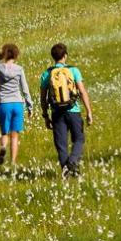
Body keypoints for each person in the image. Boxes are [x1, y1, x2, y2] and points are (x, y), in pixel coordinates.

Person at [40, 42, 93, 176]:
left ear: (53, 57)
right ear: (65, 56)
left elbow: (43, 98)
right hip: (73, 110)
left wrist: (46, 116)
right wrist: (89, 111)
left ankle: (67, 171)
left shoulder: (47, 74)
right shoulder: (73, 70)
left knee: (61, 145)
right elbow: (82, 91)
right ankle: (73, 163)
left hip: (57, 113)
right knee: (79, 139)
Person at [0, 43, 33, 167]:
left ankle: (2, 147)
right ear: (16, 55)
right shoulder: (19, 69)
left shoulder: (0, 68)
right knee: (14, 135)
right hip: (17, 104)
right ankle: (12, 163)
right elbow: (25, 88)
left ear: (5, 54)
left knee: (4, 133)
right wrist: (29, 106)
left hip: (4, 104)